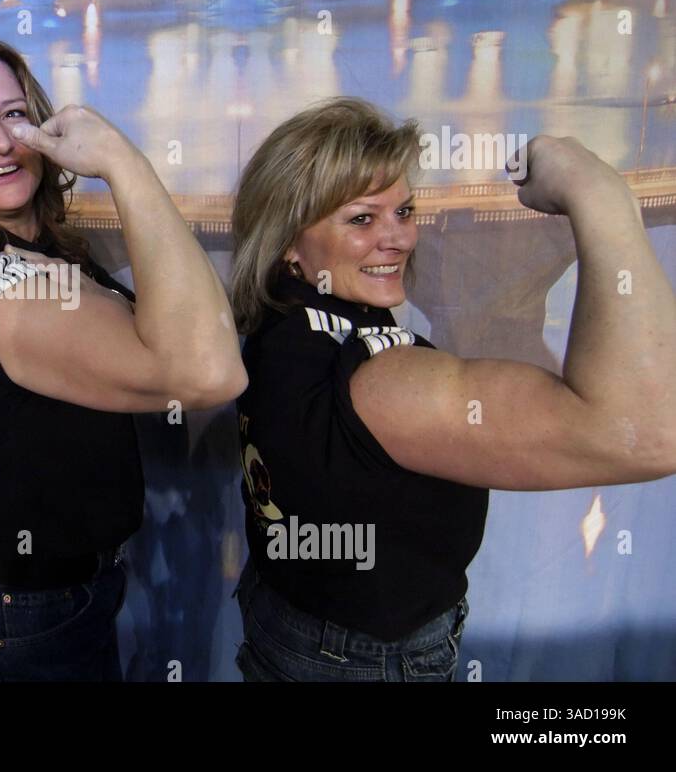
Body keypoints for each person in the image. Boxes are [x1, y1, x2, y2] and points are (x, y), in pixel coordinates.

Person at [228, 97, 676, 681]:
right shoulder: (380, 381)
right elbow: (648, 433)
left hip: (288, 616)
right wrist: (599, 193)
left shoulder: (287, 322)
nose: (397, 239)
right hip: (361, 659)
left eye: (404, 211)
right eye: (361, 219)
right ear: (289, 242)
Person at [0, 37, 248, 681]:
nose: (0, 141)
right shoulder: (5, 289)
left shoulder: (46, 258)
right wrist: (122, 162)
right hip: (17, 623)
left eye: (13, 114)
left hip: (52, 606)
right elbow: (210, 371)